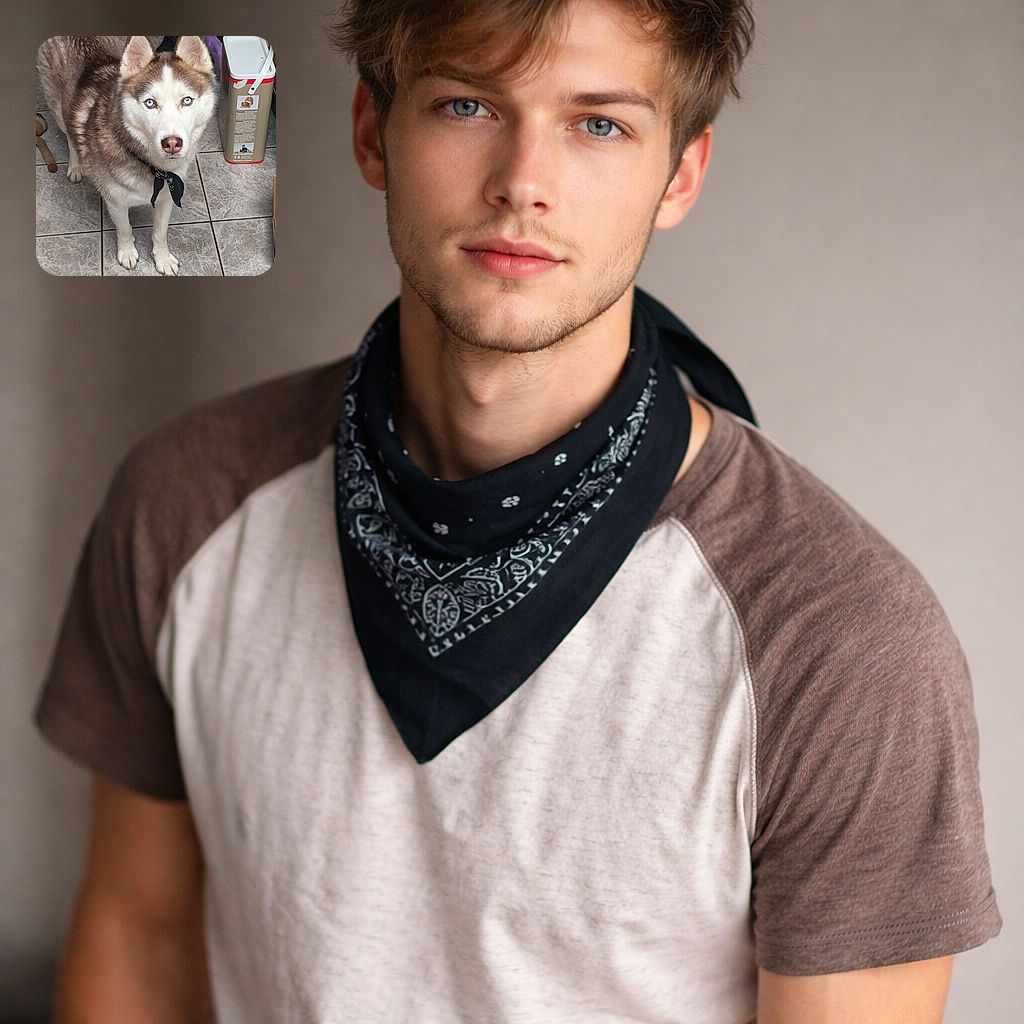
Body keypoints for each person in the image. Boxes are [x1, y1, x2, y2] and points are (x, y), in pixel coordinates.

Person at [37, 1, 1000, 1021]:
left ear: (680, 172)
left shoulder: (839, 639)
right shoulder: (186, 500)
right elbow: (139, 938)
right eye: (465, 103)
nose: (521, 184)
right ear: (372, 131)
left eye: (598, 124)